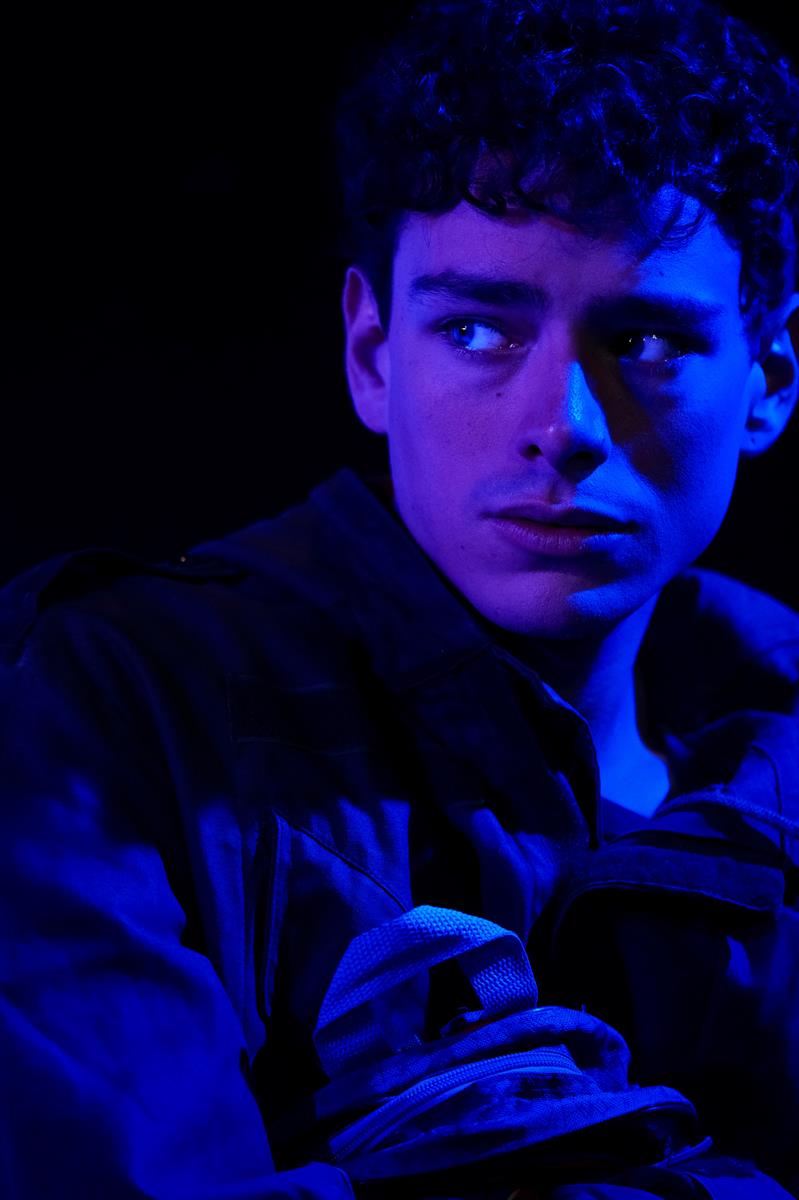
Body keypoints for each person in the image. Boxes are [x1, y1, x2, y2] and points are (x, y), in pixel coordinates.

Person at [2, 0, 799, 1196]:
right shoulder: (108, 708)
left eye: (644, 343)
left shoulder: (779, 739)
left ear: (767, 379)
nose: (564, 427)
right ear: (372, 354)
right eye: (478, 330)